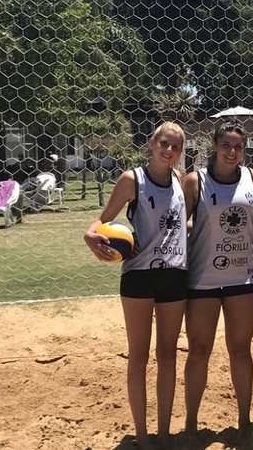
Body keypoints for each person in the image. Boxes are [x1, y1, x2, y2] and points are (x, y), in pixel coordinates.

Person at [84, 121, 188, 450]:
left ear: (179, 151)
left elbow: (180, 221)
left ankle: (163, 432)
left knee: (168, 355)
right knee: (139, 356)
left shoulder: (180, 181)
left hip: (175, 275)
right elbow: (101, 221)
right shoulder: (132, 180)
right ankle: (142, 435)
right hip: (138, 276)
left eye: (174, 146)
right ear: (151, 142)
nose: (168, 149)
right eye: (164, 143)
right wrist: (90, 236)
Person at [181, 118, 253, 441]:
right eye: (226, 145)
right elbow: (177, 225)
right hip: (202, 278)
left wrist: (246, 240)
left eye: (238, 147)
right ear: (214, 147)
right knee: (199, 351)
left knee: (240, 350)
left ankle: (244, 422)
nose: (232, 152)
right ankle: (191, 423)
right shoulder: (195, 181)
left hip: (242, 278)